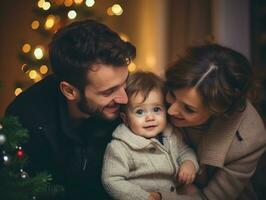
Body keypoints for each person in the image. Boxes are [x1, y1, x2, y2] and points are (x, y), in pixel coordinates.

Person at [5, 19, 136, 199]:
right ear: (69, 91)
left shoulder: (132, 103)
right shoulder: (26, 121)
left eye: (124, 82)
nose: (125, 98)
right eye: (108, 92)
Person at [165, 43, 266, 200]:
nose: (170, 111)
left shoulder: (250, 139)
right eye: (172, 94)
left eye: (189, 109)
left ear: (220, 112)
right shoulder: (158, 88)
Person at [102, 71, 199, 200]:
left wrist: (189, 163)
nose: (150, 117)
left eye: (156, 109)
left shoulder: (171, 134)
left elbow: (185, 151)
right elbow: (111, 180)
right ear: (125, 119)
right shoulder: (120, 147)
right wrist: (142, 197)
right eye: (140, 111)